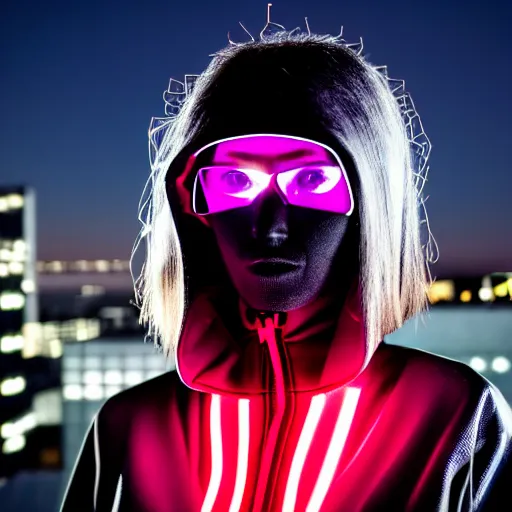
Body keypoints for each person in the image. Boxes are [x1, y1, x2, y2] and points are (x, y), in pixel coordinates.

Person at [61, 19, 512, 512]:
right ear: (194, 206)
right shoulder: (130, 427)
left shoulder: (455, 419)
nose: (270, 225)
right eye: (234, 181)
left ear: (368, 199)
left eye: (312, 179)